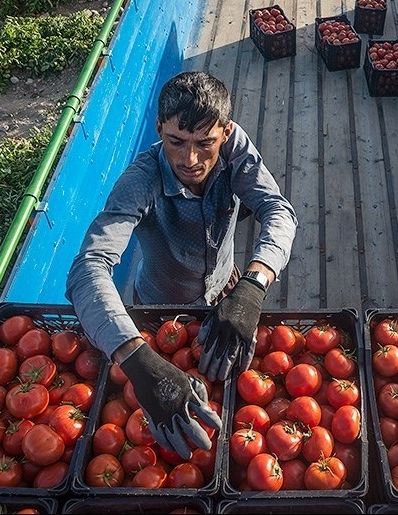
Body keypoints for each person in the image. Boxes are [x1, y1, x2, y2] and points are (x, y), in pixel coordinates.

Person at [66, 71, 298, 458]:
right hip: (160, 313)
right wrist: (137, 360)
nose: (190, 160)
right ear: (158, 129)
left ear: (225, 133)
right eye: (175, 141)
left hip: (228, 296)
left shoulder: (235, 149)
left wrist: (254, 285)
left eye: (205, 143)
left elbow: (278, 210)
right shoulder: (141, 181)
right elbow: (87, 267)